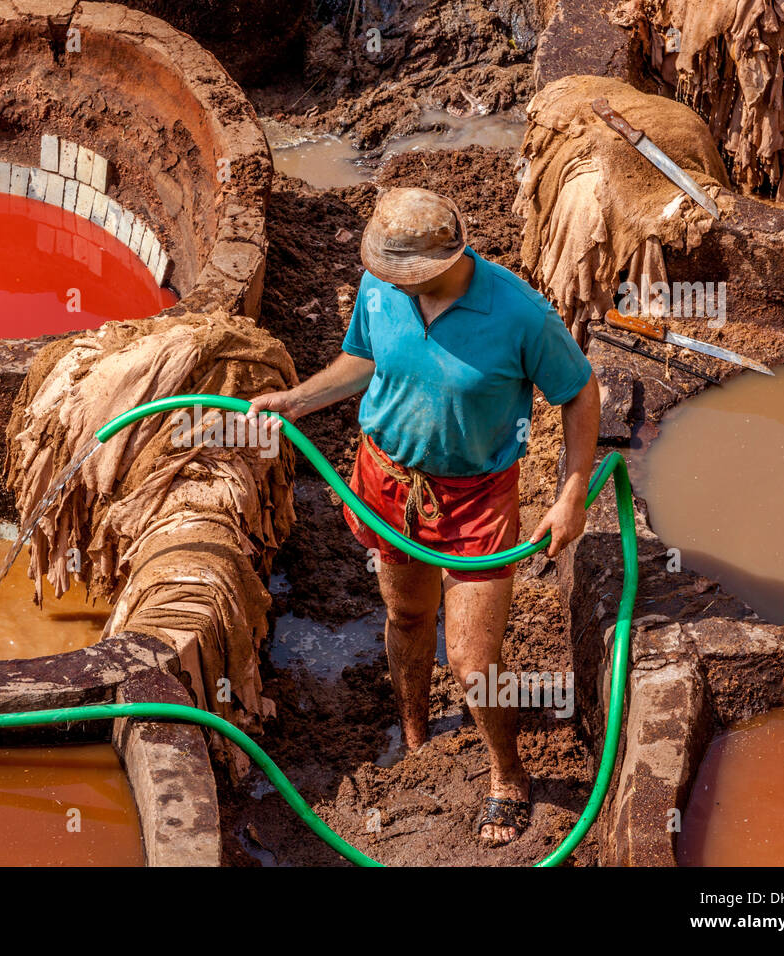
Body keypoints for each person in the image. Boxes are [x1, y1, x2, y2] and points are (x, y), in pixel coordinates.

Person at [247, 187, 600, 846]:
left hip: (475, 500)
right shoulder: (381, 289)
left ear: (440, 261)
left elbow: (579, 392)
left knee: (471, 660)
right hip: (389, 485)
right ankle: (412, 727)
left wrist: (570, 493)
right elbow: (364, 358)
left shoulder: (519, 314)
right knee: (407, 615)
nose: (384, 278)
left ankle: (508, 774)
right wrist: (297, 399)